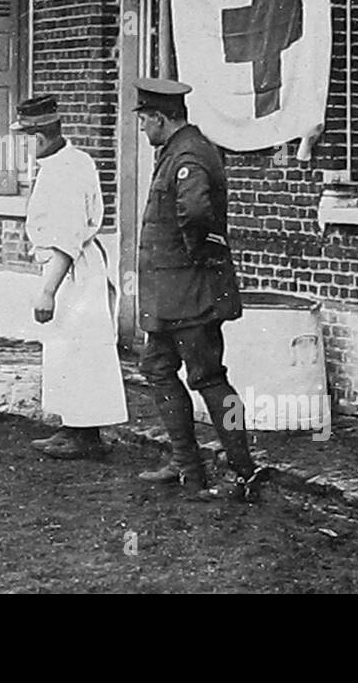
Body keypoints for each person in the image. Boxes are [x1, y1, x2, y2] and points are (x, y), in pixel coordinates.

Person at [132, 77, 269, 502]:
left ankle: (243, 471)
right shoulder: (177, 151)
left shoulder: (189, 154)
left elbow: (195, 213)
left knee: (208, 377)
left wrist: (193, 261)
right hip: (172, 294)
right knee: (157, 368)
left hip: (190, 292)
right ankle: (186, 465)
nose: (142, 128)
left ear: (160, 118)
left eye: (144, 120)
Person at [11, 94, 128, 459]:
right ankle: (74, 426)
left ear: (38, 138)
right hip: (70, 267)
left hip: (72, 270)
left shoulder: (66, 170)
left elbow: (66, 238)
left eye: (25, 139)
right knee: (67, 349)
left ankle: (86, 436)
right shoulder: (69, 161)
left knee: (82, 348)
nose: (24, 148)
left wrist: (48, 290)